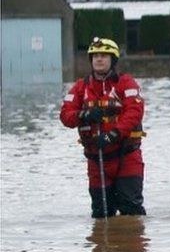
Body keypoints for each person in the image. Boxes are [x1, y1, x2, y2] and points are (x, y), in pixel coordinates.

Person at [60, 37, 146, 218]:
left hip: (126, 156)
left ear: (112, 60)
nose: (99, 59)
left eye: (104, 56)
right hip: (97, 160)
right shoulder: (80, 88)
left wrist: (112, 135)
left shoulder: (126, 83)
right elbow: (65, 116)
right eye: (95, 56)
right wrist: (84, 115)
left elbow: (134, 112)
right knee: (101, 213)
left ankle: (130, 244)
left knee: (131, 210)